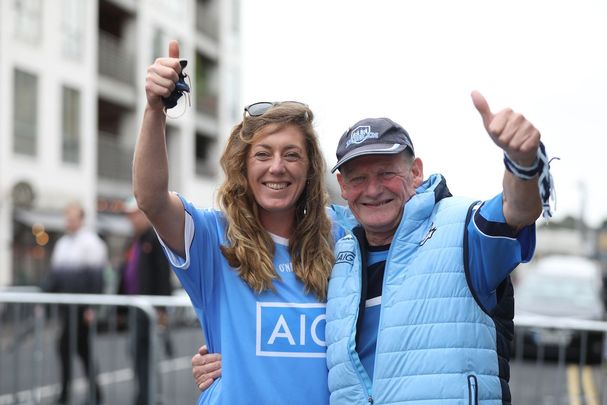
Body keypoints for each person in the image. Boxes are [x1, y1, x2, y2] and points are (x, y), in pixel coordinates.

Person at [193, 93, 555, 404]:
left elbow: (517, 211)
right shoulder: (335, 248)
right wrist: (240, 362)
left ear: (415, 172)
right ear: (342, 186)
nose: (372, 189)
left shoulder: (459, 228)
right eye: (359, 179)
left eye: (386, 173)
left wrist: (523, 165)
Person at [133, 40, 344, 404]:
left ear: (309, 170)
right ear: (243, 168)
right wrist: (155, 109)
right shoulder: (213, 239)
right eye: (263, 154)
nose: (277, 167)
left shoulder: (341, 239)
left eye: (291, 155)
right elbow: (151, 199)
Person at [43, 202, 107, 405]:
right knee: (73, 350)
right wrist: (42, 297)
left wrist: (92, 308)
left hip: (81, 309)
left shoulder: (91, 243)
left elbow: (98, 279)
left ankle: (85, 394)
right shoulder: (62, 244)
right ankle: (83, 394)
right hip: (66, 308)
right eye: (67, 217)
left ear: (81, 219)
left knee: (79, 351)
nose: (68, 221)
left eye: (72, 218)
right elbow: (54, 277)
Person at [117, 197, 174, 405]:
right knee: (136, 354)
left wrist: (161, 309)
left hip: (149, 310)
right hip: (135, 309)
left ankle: (152, 397)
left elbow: (162, 275)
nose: (131, 220)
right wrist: (121, 311)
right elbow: (124, 275)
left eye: (134, 215)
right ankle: (143, 395)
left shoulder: (155, 239)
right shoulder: (133, 241)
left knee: (150, 357)